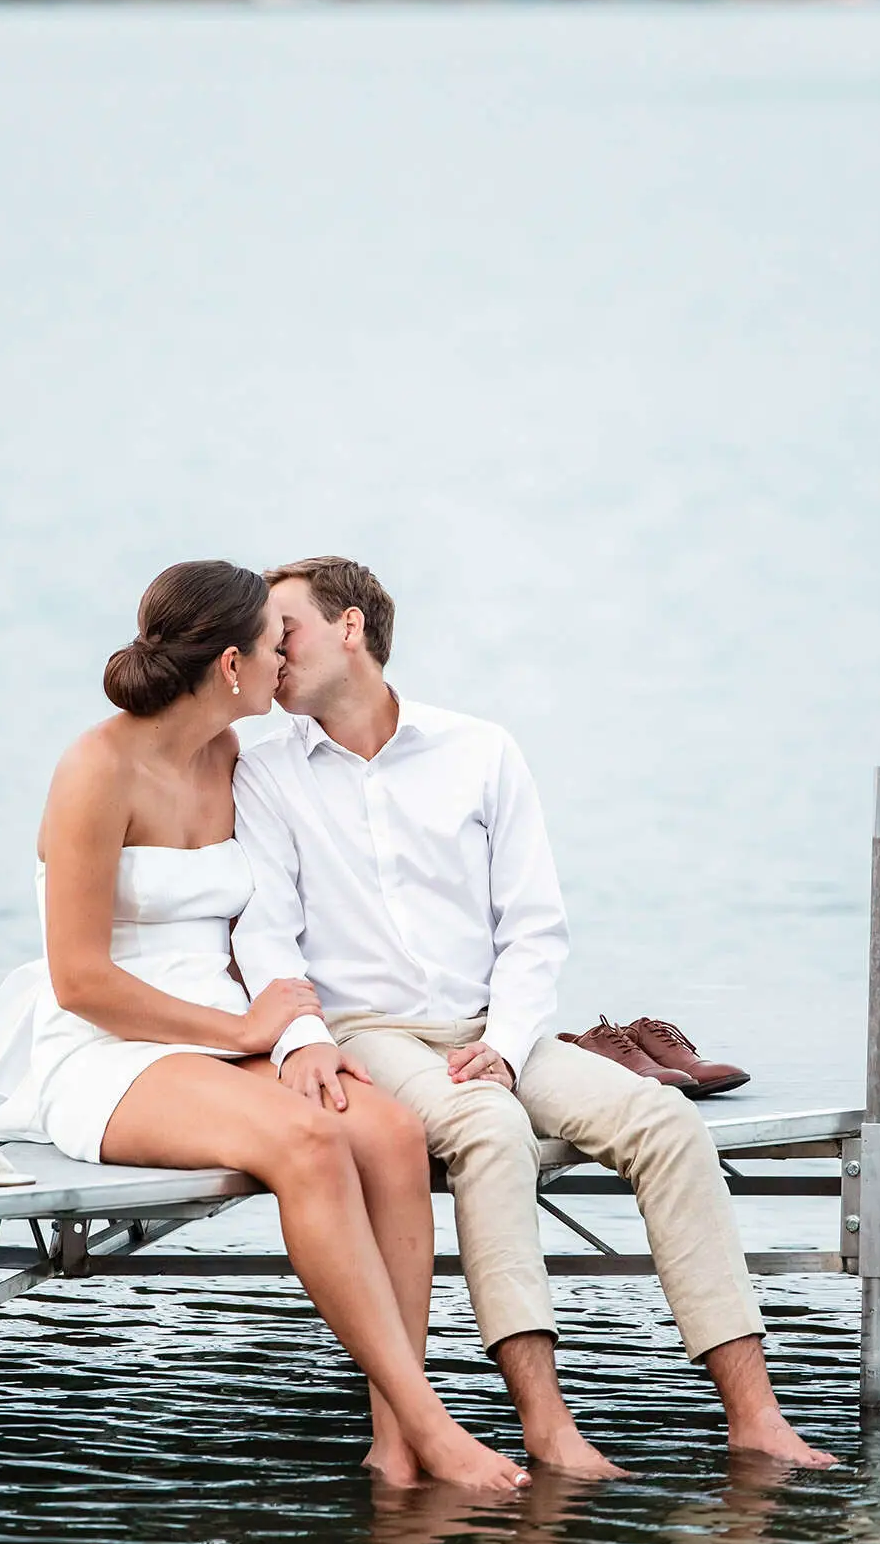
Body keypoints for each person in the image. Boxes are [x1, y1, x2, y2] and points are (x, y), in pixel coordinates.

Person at [232, 557, 836, 1477]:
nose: (270, 654)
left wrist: (507, 1049)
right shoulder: (264, 770)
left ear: (349, 628)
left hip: (491, 1024)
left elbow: (533, 929)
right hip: (368, 1036)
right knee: (485, 1129)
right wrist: (304, 1041)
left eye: (287, 631)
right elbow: (266, 935)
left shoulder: (479, 749)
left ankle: (754, 1415)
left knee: (664, 1121)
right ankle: (546, 1427)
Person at [0, 560, 530, 1496]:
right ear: (231, 665)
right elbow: (79, 979)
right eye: (276, 646)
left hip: (234, 1030)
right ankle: (435, 1423)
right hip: (111, 1045)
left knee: (388, 1132)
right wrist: (245, 1027)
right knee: (307, 1138)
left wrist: (297, 1024)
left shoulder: (236, 758)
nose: (288, 661)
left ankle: (394, 1442)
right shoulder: (95, 770)